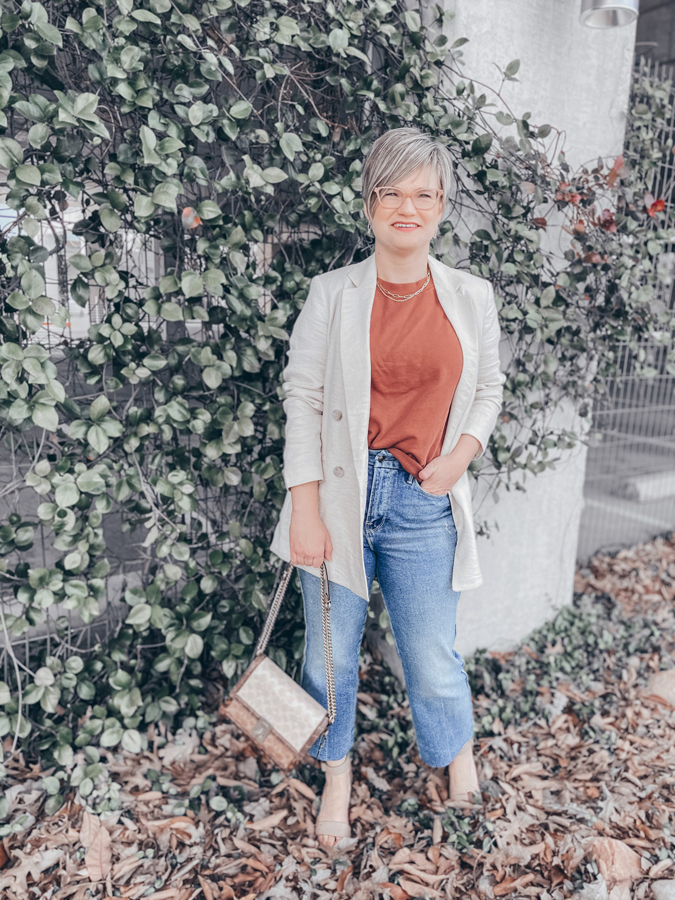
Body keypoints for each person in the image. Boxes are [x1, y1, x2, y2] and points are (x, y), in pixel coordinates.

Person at [269, 126, 506, 846]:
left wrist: (460, 454)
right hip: (338, 498)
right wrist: (304, 510)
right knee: (330, 660)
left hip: (418, 500)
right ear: (369, 203)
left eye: (423, 195)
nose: (408, 207)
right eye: (392, 192)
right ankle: (335, 777)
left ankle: (454, 760)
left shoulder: (470, 296)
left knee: (431, 655)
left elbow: (489, 389)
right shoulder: (331, 293)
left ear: (441, 208)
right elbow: (302, 396)